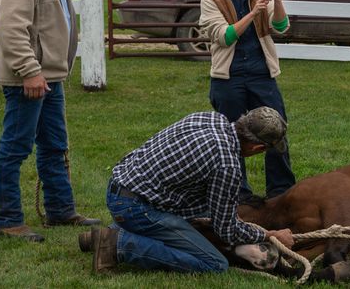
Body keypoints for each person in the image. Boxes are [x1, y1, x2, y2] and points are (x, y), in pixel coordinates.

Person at [0, 0, 100, 242]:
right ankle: (8, 220)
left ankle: (60, 210)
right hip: (32, 78)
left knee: (54, 145)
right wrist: (29, 71)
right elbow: (11, 28)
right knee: (16, 147)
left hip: (47, 76)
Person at [86, 108, 295, 273]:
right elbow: (226, 229)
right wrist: (268, 234)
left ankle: (102, 235)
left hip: (120, 186)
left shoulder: (210, 118)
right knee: (214, 264)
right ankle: (119, 244)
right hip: (136, 208)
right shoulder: (227, 165)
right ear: (257, 148)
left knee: (199, 214)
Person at [199, 0, 295, 203]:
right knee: (232, 137)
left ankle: (281, 191)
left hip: (261, 74)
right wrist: (253, 13)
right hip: (228, 78)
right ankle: (239, 194)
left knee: (277, 129)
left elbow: (282, 27)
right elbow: (225, 36)